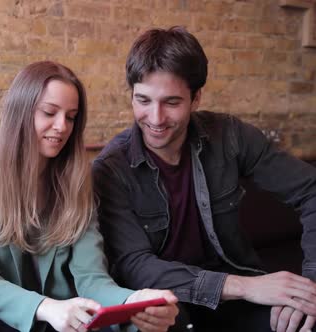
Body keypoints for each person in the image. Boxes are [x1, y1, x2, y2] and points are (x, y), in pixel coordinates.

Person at [92, 26, 316, 332]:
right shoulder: (110, 168)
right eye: (143, 100)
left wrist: (309, 287)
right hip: (168, 304)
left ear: (196, 97)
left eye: (171, 103)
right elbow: (135, 265)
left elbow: (311, 190)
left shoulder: (231, 136)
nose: (155, 119)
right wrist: (245, 287)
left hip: (235, 298)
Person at [0, 61, 178, 332]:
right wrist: (46, 308)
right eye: (49, 112)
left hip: (65, 318)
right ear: (20, 111)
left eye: (70, 117)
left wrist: (133, 300)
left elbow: (91, 278)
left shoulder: (77, 179)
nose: (62, 127)